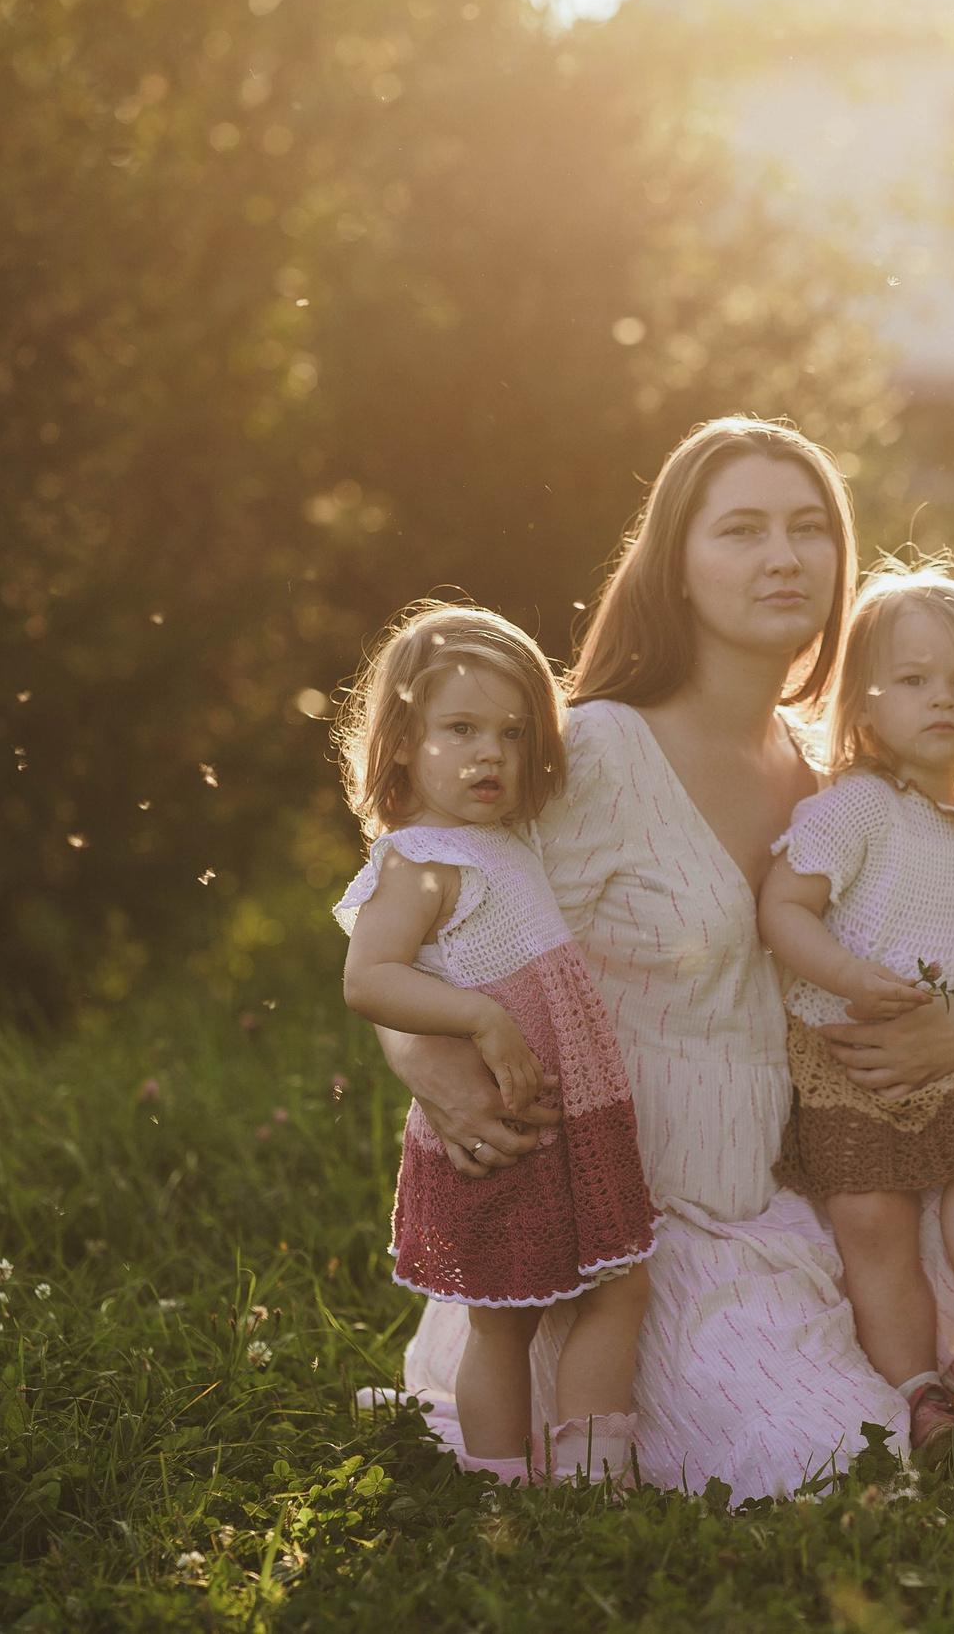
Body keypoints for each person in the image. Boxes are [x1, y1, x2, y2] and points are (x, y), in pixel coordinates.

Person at [369, 417, 954, 1497]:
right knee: (841, 1470)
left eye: (809, 527)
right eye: (741, 529)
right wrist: (428, 1064)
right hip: (639, 1228)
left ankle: (918, 1376)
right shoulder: (597, 752)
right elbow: (414, 903)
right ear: (674, 567)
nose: (783, 555)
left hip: (809, 1182)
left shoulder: (838, 770)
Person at [332, 604, 658, 1486]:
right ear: (402, 742)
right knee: (499, 1316)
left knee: (616, 1284)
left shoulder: (500, 837)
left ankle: (594, 1477)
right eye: (461, 729)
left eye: (512, 733)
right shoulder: (419, 859)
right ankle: (500, 1480)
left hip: (567, 1111)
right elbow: (370, 978)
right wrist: (479, 1017)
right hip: (502, 1119)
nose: (490, 754)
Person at [757, 565, 954, 1462]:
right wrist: (846, 972)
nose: (943, 700)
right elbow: (783, 909)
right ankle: (916, 1393)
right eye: (916, 681)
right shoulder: (851, 810)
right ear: (866, 702)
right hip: (845, 1051)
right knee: (870, 1219)